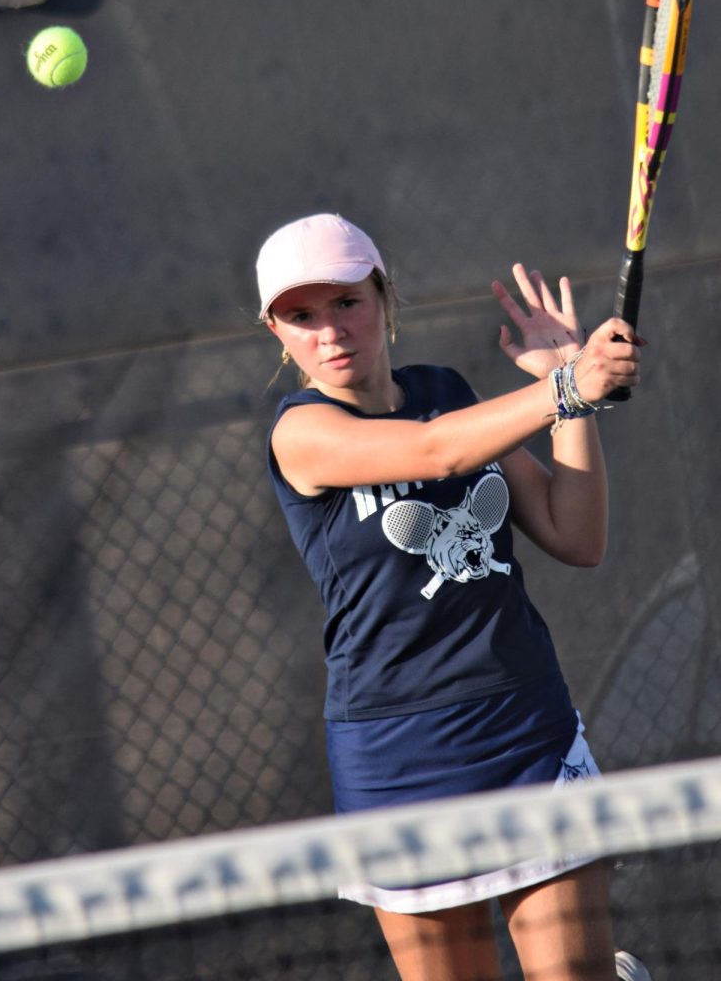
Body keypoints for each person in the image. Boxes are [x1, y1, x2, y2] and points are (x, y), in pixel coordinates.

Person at [256, 211, 650, 981]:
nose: (329, 330)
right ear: (277, 333)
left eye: (346, 301)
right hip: (399, 762)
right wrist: (568, 389)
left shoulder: (445, 392)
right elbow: (435, 452)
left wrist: (563, 391)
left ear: (385, 298)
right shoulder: (300, 433)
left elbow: (576, 536)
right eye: (301, 315)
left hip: (525, 728)